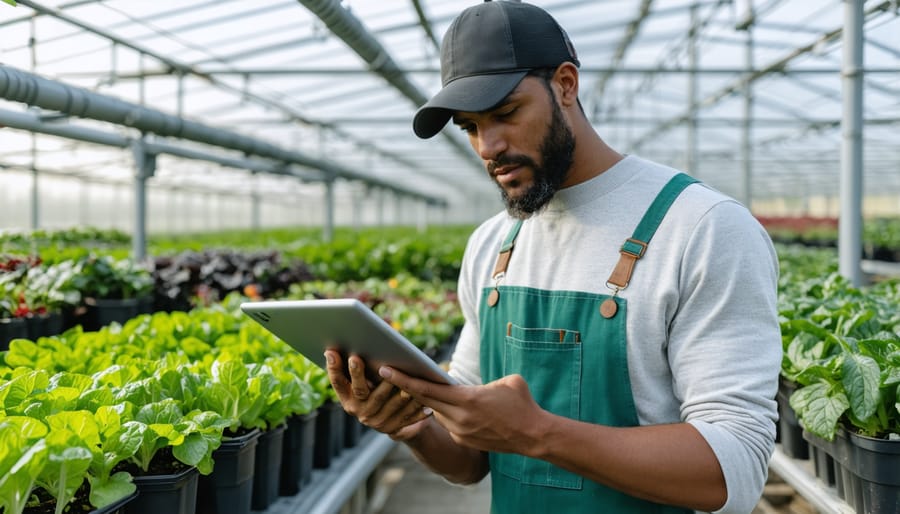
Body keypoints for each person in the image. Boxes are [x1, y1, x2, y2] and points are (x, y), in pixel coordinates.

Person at [324, 2, 781, 513]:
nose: (488, 146)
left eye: (505, 113)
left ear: (565, 85)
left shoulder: (702, 226)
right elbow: (472, 458)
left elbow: (734, 469)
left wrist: (537, 432)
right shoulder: (492, 244)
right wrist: (410, 427)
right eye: (469, 127)